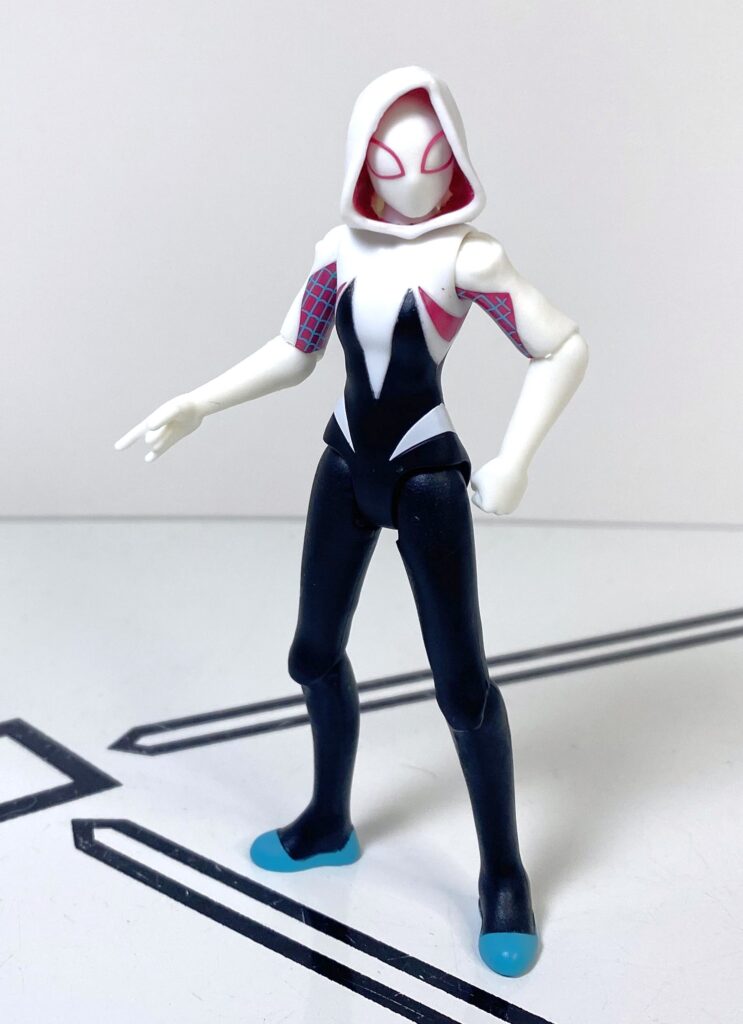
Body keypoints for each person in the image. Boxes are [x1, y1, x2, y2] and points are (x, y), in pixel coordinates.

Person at [116, 66, 589, 977]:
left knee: (462, 689)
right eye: (390, 162)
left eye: (432, 160)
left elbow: (560, 343)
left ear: (456, 160)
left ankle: (502, 873)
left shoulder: (468, 259)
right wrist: (199, 401)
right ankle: (329, 819)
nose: (412, 181)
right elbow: (293, 349)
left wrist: (516, 456)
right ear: (361, 164)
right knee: (311, 655)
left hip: (426, 478)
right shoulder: (337, 251)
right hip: (344, 466)